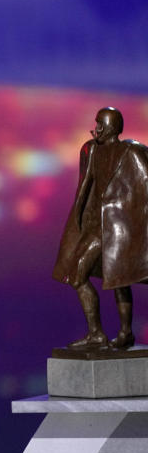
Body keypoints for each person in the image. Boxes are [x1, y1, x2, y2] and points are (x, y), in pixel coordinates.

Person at [53, 107, 148, 350]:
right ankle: (97, 333)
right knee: (77, 275)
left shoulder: (131, 152)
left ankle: (125, 333)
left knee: (119, 278)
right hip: (94, 227)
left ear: (111, 127)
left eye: (100, 124)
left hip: (119, 228)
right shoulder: (91, 149)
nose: (96, 129)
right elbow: (85, 186)